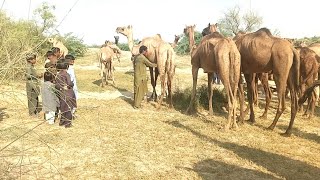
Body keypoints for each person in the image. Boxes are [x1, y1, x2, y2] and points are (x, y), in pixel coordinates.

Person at [55, 59, 77, 128]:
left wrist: (61, 88)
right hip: (69, 93)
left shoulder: (58, 75)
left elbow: (57, 85)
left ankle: (62, 122)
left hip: (61, 94)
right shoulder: (66, 74)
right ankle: (68, 124)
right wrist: (72, 84)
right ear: (67, 66)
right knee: (68, 109)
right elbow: (70, 83)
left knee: (63, 108)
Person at [25, 53, 42, 117]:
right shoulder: (28, 67)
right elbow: (28, 76)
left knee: (35, 97)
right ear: (30, 60)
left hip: (34, 83)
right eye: (34, 59)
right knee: (32, 98)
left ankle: (34, 111)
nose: (35, 60)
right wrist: (37, 75)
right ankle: (32, 113)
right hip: (31, 84)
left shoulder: (32, 66)